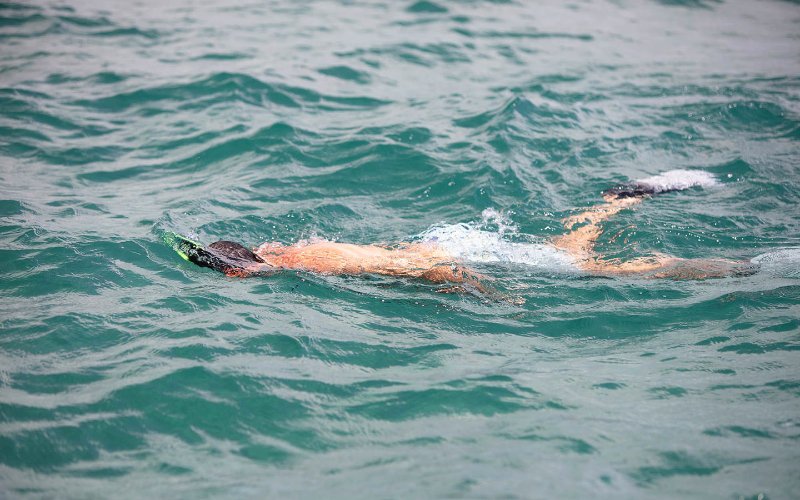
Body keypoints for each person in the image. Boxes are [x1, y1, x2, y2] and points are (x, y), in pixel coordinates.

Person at [169, 170, 756, 291]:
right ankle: (619, 200)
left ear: (249, 268)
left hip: (454, 254)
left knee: (588, 267)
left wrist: (477, 291)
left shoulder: (309, 264)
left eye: (230, 275)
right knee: (565, 246)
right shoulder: (284, 249)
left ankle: (732, 267)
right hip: (450, 235)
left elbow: (421, 270)